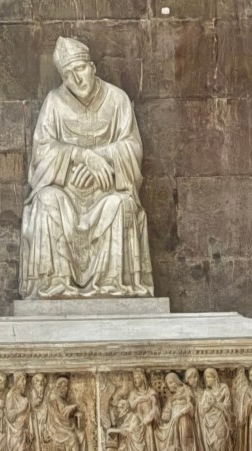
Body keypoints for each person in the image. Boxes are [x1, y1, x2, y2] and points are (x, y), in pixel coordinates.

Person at [19, 36, 154, 299]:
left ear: (93, 67)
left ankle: (113, 284)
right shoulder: (54, 102)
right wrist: (80, 156)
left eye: (80, 69)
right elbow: (41, 152)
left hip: (105, 191)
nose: (77, 79)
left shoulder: (117, 100)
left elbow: (132, 147)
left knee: (121, 204)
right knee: (46, 200)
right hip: (67, 193)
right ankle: (55, 283)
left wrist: (100, 159)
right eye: (68, 75)